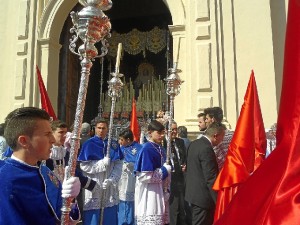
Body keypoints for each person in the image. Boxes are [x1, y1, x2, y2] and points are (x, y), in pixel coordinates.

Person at [0, 107, 81, 225]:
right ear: (24, 141)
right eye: (47, 134)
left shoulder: (46, 172)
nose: (53, 140)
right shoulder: (4, 179)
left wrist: (70, 199)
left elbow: (63, 218)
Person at [78, 118, 123, 225]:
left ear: (108, 129)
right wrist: (102, 164)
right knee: (93, 217)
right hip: (94, 183)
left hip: (109, 186)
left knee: (109, 216)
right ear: (95, 128)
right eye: (99, 128)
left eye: (103, 128)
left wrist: (112, 180)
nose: (101, 130)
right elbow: (84, 166)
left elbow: (119, 164)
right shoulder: (89, 143)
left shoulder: (113, 144)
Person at [185, 122, 226, 225]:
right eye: (223, 136)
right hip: (203, 198)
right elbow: (210, 177)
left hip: (193, 194)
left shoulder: (194, 143)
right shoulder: (206, 148)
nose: (222, 140)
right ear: (215, 136)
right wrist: (218, 200)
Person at [134, 120, 172, 225]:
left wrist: (167, 188)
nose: (162, 135)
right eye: (159, 133)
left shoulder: (161, 148)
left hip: (160, 189)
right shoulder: (146, 149)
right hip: (149, 191)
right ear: (150, 132)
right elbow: (144, 176)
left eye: (163, 133)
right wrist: (165, 170)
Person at [163, 121, 187, 225]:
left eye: (175, 129)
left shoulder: (180, 142)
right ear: (166, 130)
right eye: (172, 129)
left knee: (182, 209)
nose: (174, 131)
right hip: (168, 180)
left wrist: (185, 164)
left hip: (180, 179)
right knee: (172, 209)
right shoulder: (162, 143)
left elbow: (184, 157)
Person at [118, 128, 143, 225]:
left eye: (121, 139)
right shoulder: (120, 148)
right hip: (121, 181)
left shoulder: (139, 148)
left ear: (128, 140)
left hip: (132, 180)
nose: (120, 142)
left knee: (131, 203)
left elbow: (140, 163)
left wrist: (131, 165)